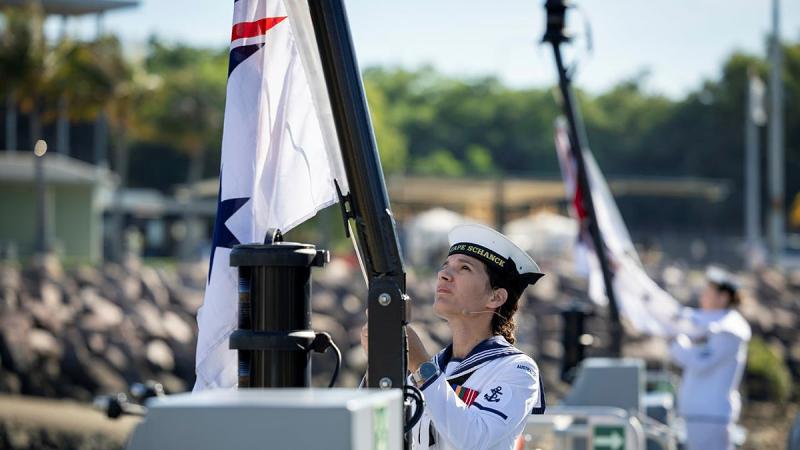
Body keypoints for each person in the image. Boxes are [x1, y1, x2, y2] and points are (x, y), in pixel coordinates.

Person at [362, 223, 546, 449]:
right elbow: (373, 437)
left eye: (464, 268)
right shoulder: (430, 369)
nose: (444, 275)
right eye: (445, 266)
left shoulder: (517, 369)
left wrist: (421, 365)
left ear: (496, 298)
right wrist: (378, 363)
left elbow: (475, 440)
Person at [669, 266, 751, 450]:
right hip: (700, 414)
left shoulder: (730, 329)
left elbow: (700, 362)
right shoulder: (710, 323)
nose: (703, 295)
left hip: (711, 415)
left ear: (723, 297)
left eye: (709, 291)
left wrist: (676, 342)